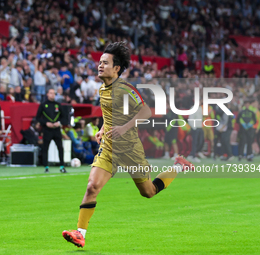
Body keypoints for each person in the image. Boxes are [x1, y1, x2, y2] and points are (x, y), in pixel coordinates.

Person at [62, 42, 194, 248]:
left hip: (130, 150)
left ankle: (178, 165)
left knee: (148, 191)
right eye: (99, 62)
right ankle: (80, 234)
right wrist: (103, 128)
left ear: (116, 68)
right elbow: (110, 113)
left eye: (105, 63)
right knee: (92, 186)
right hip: (109, 148)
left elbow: (146, 111)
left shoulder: (125, 89)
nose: (100, 65)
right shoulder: (103, 90)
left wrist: (124, 127)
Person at [35, 88, 67, 173]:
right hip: (47, 130)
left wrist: (59, 123)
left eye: (54, 93)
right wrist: (45, 123)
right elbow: (37, 117)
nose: (52, 95)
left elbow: (64, 117)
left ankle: (62, 166)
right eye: (51, 93)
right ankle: (46, 166)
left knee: (60, 148)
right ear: (47, 94)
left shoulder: (58, 105)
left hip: (56, 130)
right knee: (45, 148)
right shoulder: (43, 105)